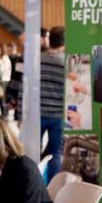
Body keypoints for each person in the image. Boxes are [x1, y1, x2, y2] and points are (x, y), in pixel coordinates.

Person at [41, 26, 66, 181]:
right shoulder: (66, 62)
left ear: (49, 40)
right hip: (58, 114)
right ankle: (52, 189)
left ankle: (33, 188)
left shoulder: (38, 59)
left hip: (38, 113)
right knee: (56, 153)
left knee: (32, 151)